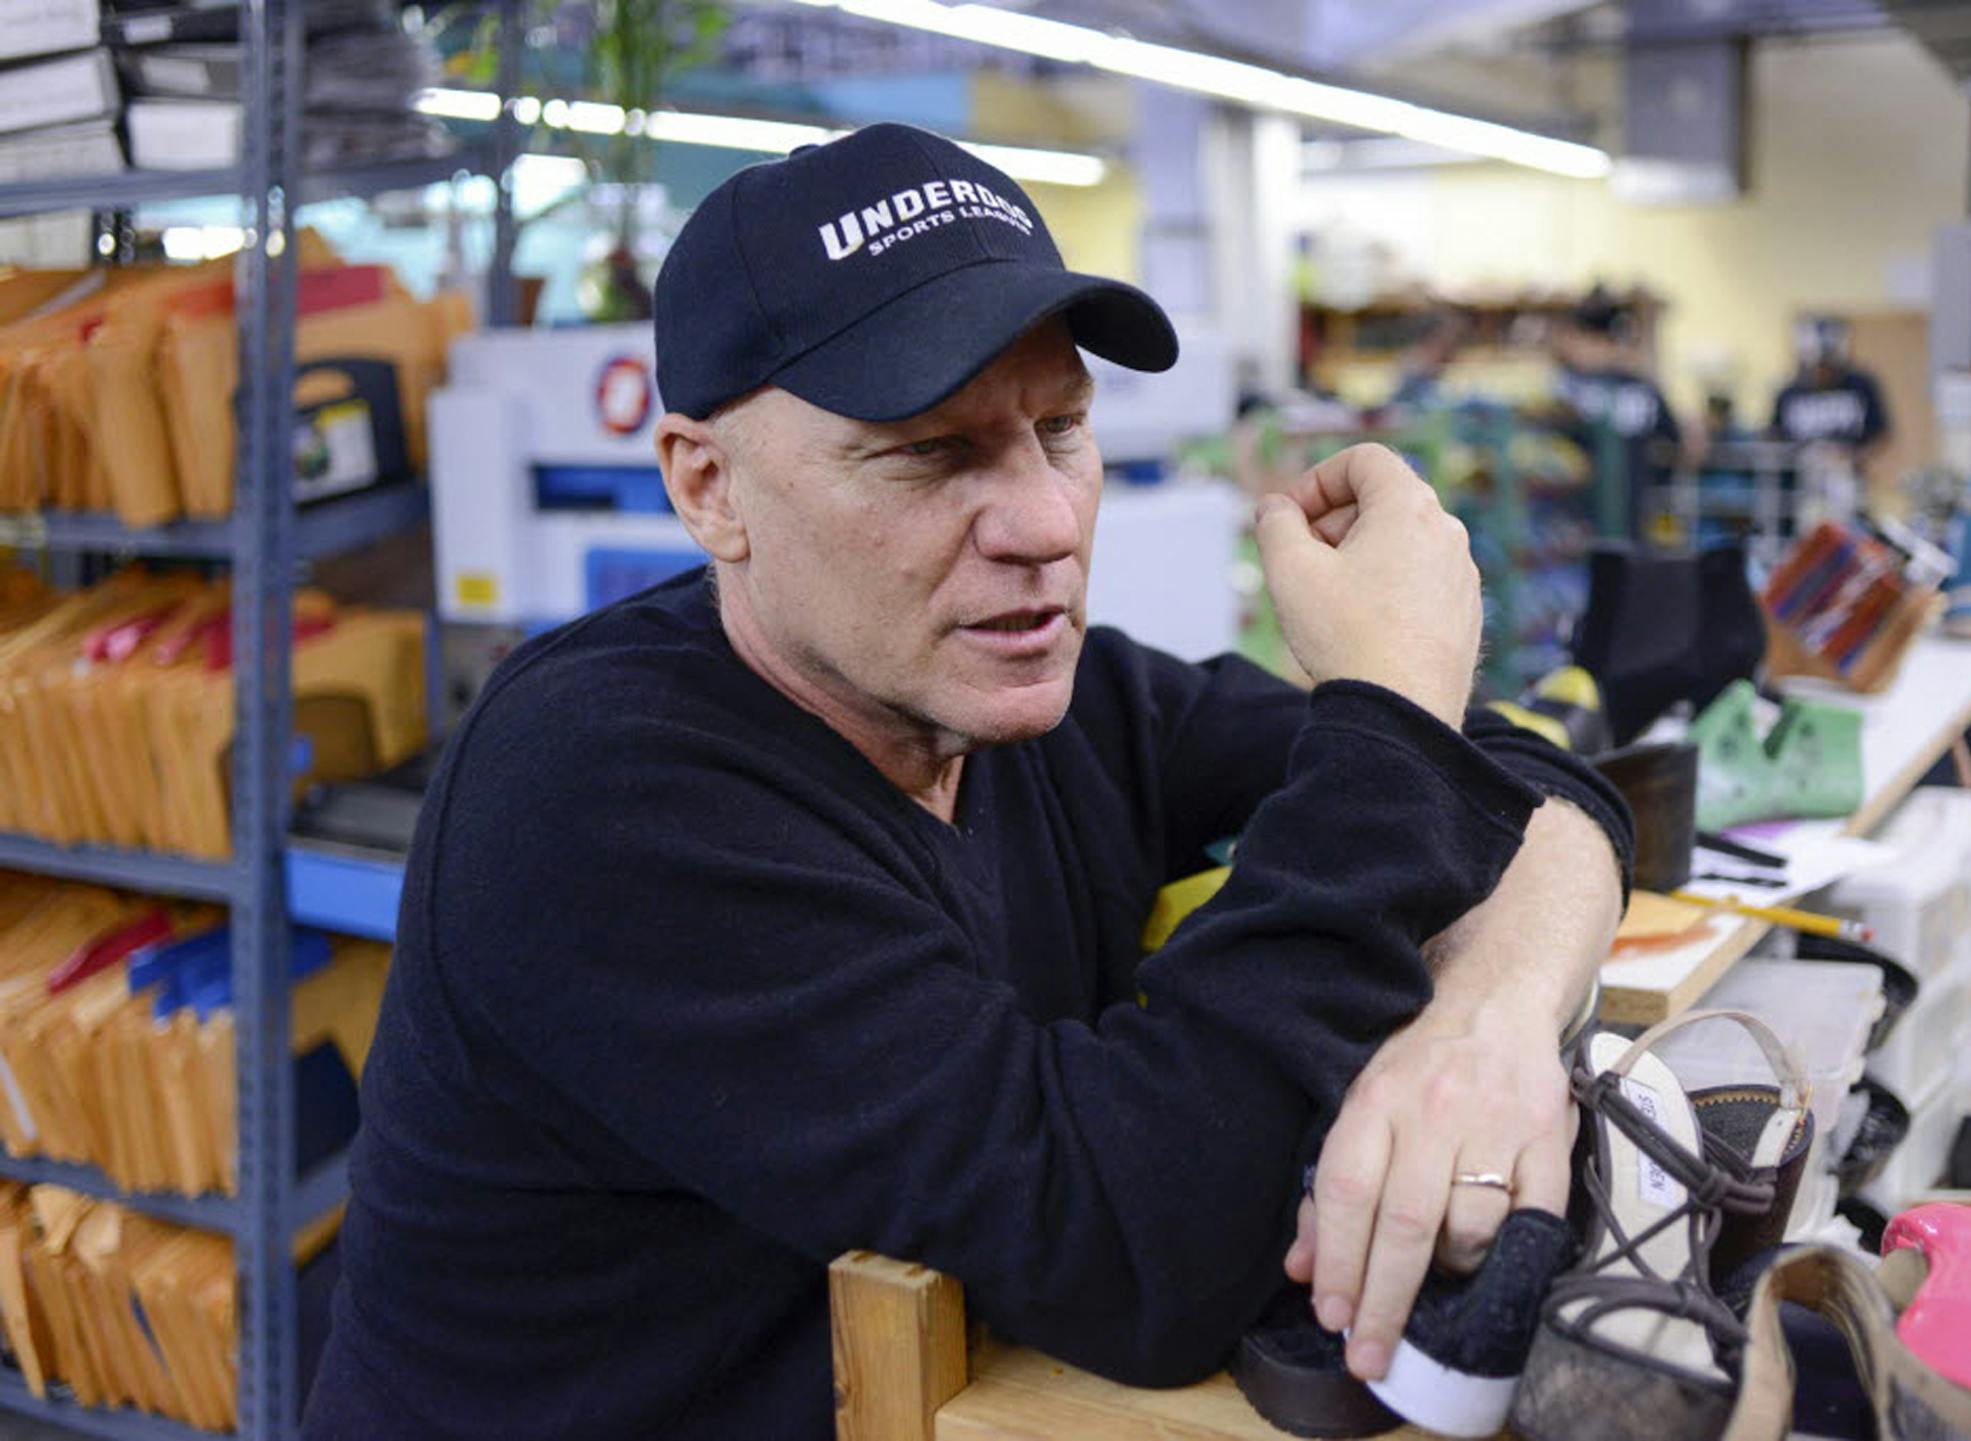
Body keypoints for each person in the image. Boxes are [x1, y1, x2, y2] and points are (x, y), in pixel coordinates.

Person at [304, 124, 1630, 1439]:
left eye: (1060, 429)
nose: (1046, 523)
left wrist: (1493, 1025)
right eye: (932, 452)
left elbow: (1535, 781)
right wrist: (1387, 714)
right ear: (710, 489)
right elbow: (1145, 1251)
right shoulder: (602, 793)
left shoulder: (1038, 697)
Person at [1550, 286, 1682, 538]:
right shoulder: (1639, 387)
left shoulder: (1571, 388)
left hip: (1605, 516)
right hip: (1590, 519)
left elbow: (1672, 443)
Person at [1769, 314, 1891, 457]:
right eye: (1817, 366)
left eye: (1828, 365)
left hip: (1850, 472)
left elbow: (1881, 435)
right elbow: (1775, 436)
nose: (1822, 372)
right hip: (1799, 473)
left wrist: (1855, 456)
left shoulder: (1860, 387)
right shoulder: (1789, 394)